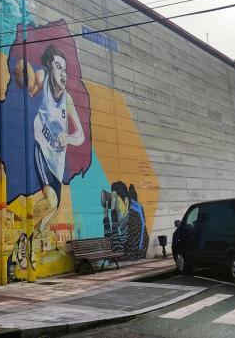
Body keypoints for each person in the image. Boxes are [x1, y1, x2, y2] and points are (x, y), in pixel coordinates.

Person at [16, 45, 85, 244]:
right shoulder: (41, 78)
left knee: (53, 208)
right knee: (52, 200)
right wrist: (26, 82)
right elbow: (28, 83)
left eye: (64, 69)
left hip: (57, 162)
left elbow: (80, 135)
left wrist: (69, 138)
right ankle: (24, 227)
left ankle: (26, 239)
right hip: (42, 148)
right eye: (58, 67)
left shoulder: (68, 100)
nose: (62, 73)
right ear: (49, 67)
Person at [101, 181, 149, 260]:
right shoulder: (124, 224)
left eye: (116, 202)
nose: (114, 209)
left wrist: (113, 221)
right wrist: (105, 215)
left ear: (126, 203)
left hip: (135, 259)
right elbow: (108, 248)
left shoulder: (135, 224)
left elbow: (118, 255)